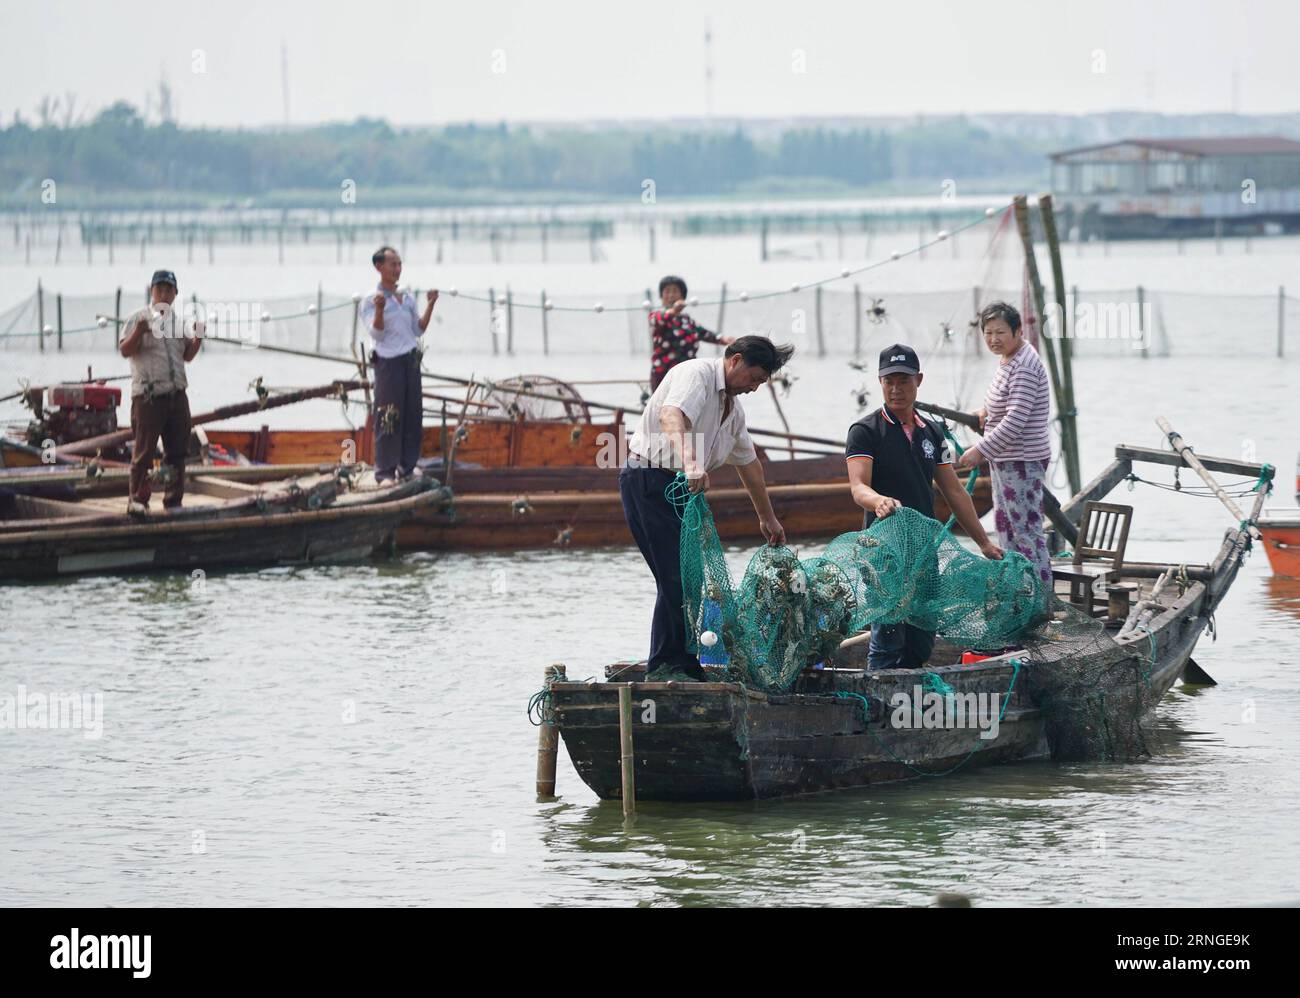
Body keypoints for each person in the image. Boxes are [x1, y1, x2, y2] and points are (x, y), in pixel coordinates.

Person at [621, 335, 791, 681]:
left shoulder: (733, 409)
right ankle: (664, 666)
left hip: (681, 490)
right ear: (735, 360)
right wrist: (692, 463)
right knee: (675, 577)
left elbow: (750, 464)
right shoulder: (696, 374)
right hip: (650, 481)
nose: (755, 388)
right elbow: (672, 416)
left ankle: (682, 662)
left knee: (690, 578)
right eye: (755, 378)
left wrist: (768, 518)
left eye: (762, 382)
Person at [846, 343, 1004, 670]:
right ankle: (878, 705)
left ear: (919, 380)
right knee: (888, 639)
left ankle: (909, 705)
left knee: (921, 642)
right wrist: (879, 501)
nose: (896, 389)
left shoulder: (932, 432)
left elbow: (955, 492)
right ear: (879, 382)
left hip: (924, 551)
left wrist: (984, 542)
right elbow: (859, 487)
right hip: (883, 552)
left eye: (904, 380)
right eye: (889, 381)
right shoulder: (865, 431)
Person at [955, 301, 1054, 595]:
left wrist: (979, 450)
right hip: (1006, 458)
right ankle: (1018, 594)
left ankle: (1041, 600)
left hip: (1022, 460)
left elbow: (1016, 420)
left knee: (1026, 532)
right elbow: (1005, 402)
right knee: (1007, 529)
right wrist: (986, 411)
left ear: (1018, 330)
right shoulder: (1009, 358)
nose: (993, 339)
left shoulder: (1023, 364)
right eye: (988, 333)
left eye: (1000, 332)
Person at [118, 269, 202, 515]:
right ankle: (137, 501)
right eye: (160, 289)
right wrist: (139, 331)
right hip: (148, 397)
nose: (164, 293)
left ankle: (173, 501)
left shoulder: (178, 322)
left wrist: (197, 339)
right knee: (144, 452)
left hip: (177, 396)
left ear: (175, 294)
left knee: (177, 452)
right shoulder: (139, 318)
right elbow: (124, 350)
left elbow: (187, 356)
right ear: (152, 291)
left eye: (169, 289)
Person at [360, 247, 439, 483]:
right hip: (388, 362)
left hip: (410, 359)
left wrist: (431, 304)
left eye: (399, 264)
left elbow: (418, 329)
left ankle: (406, 467)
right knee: (388, 416)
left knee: (413, 414)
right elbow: (377, 334)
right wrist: (381, 310)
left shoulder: (407, 297)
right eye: (392, 264)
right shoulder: (370, 300)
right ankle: (384, 471)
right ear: (379, 267)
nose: (397, 269)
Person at [648, 275, 734, 391]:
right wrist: (673, 311)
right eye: (667, 292)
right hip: (664, 374)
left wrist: (723, 339)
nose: (671, 295)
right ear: (661, 296)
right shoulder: (656, 316)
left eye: (675, 291)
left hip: (686, 373)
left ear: (682, 296)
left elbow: (703, 333)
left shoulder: (686, 320)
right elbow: (660, 319)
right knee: (664, 407)